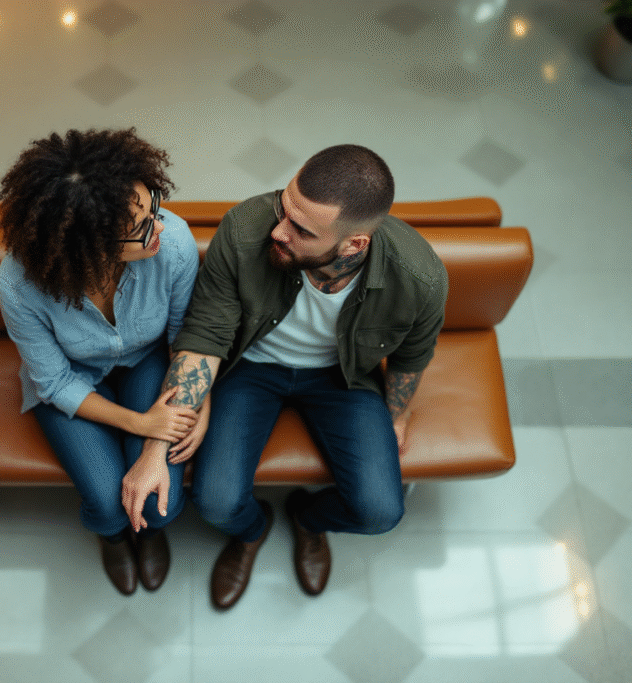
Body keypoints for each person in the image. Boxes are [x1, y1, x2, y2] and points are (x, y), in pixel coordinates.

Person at [121, 144, 448, 609]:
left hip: (342, 379)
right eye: (284, 206)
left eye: (300, 230)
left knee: (380, 512)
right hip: (250, 367)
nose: (278, 230)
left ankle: (308, 520)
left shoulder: (419, 277)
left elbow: (413, 356)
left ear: (354, 244)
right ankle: (252, 533)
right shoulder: (245, 229)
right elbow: (204, 337)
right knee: (214, 502)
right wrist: (155, 444)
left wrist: (396, 416)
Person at [0, 128, 201, 596]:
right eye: (142, 228)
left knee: (160, 505)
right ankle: (112, 537)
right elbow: (53, 380)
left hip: (150, 362)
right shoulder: (17, 284)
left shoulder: (173, 246)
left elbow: (185, 340)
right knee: (106, 504)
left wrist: (174, 425)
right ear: (87, 247)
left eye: (155, 207)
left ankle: (147, 531)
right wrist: (140, 422)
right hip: (71, 380)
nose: (161, 228)